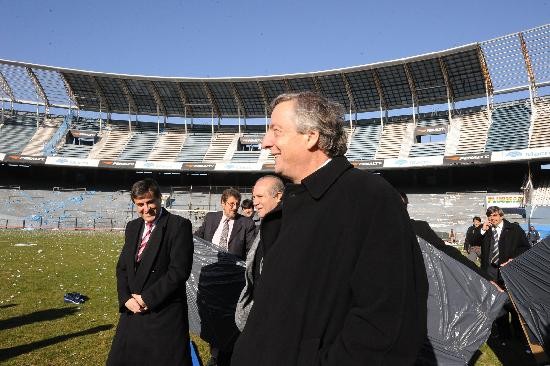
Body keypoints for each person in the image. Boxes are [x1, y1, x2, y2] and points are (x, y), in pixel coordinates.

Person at [231, 92, 428, 365]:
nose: (266, 143)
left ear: (311, 137)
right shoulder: (290, 204)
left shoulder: (368, 196)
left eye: (276, 131)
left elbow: (387, 317)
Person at [107, 178, 194, 366]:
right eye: (140, 204)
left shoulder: (178, 225)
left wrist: (147, 298)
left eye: (150, 202)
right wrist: (125, 298)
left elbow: (179, 271)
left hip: (163, 313)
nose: (146, 209)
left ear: (160, 199)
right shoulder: (132, 227)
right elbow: (122, 268)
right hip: (133, 311)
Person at [474, 206, 531, 346]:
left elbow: (525, 247)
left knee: (514, 304)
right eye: (489, 216)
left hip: (509, 271)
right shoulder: (486, 230)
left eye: (494, 215)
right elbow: (473, 241)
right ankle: (504, 334)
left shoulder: (514, 229)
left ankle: (520, 334)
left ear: (501, 216)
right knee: (498, 304)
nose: (491, 218)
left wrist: (514, 259)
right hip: (491, 271)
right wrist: (482, 230)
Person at [235, 175, 284, 331]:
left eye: (260, 196)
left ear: (278, 197)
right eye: (253, 197)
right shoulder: (266, 226)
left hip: (274, 316)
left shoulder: (286, 229)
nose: (255, 202)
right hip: (258, 311)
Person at [195, 188, 256, 260]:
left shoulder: (247, 223)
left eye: (237, 204)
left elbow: (252, 251)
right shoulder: (210, 218)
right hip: (209, 265)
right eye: (232, 204)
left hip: (234, 268)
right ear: (223, 203)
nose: (235, 207)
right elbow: (196, 238)